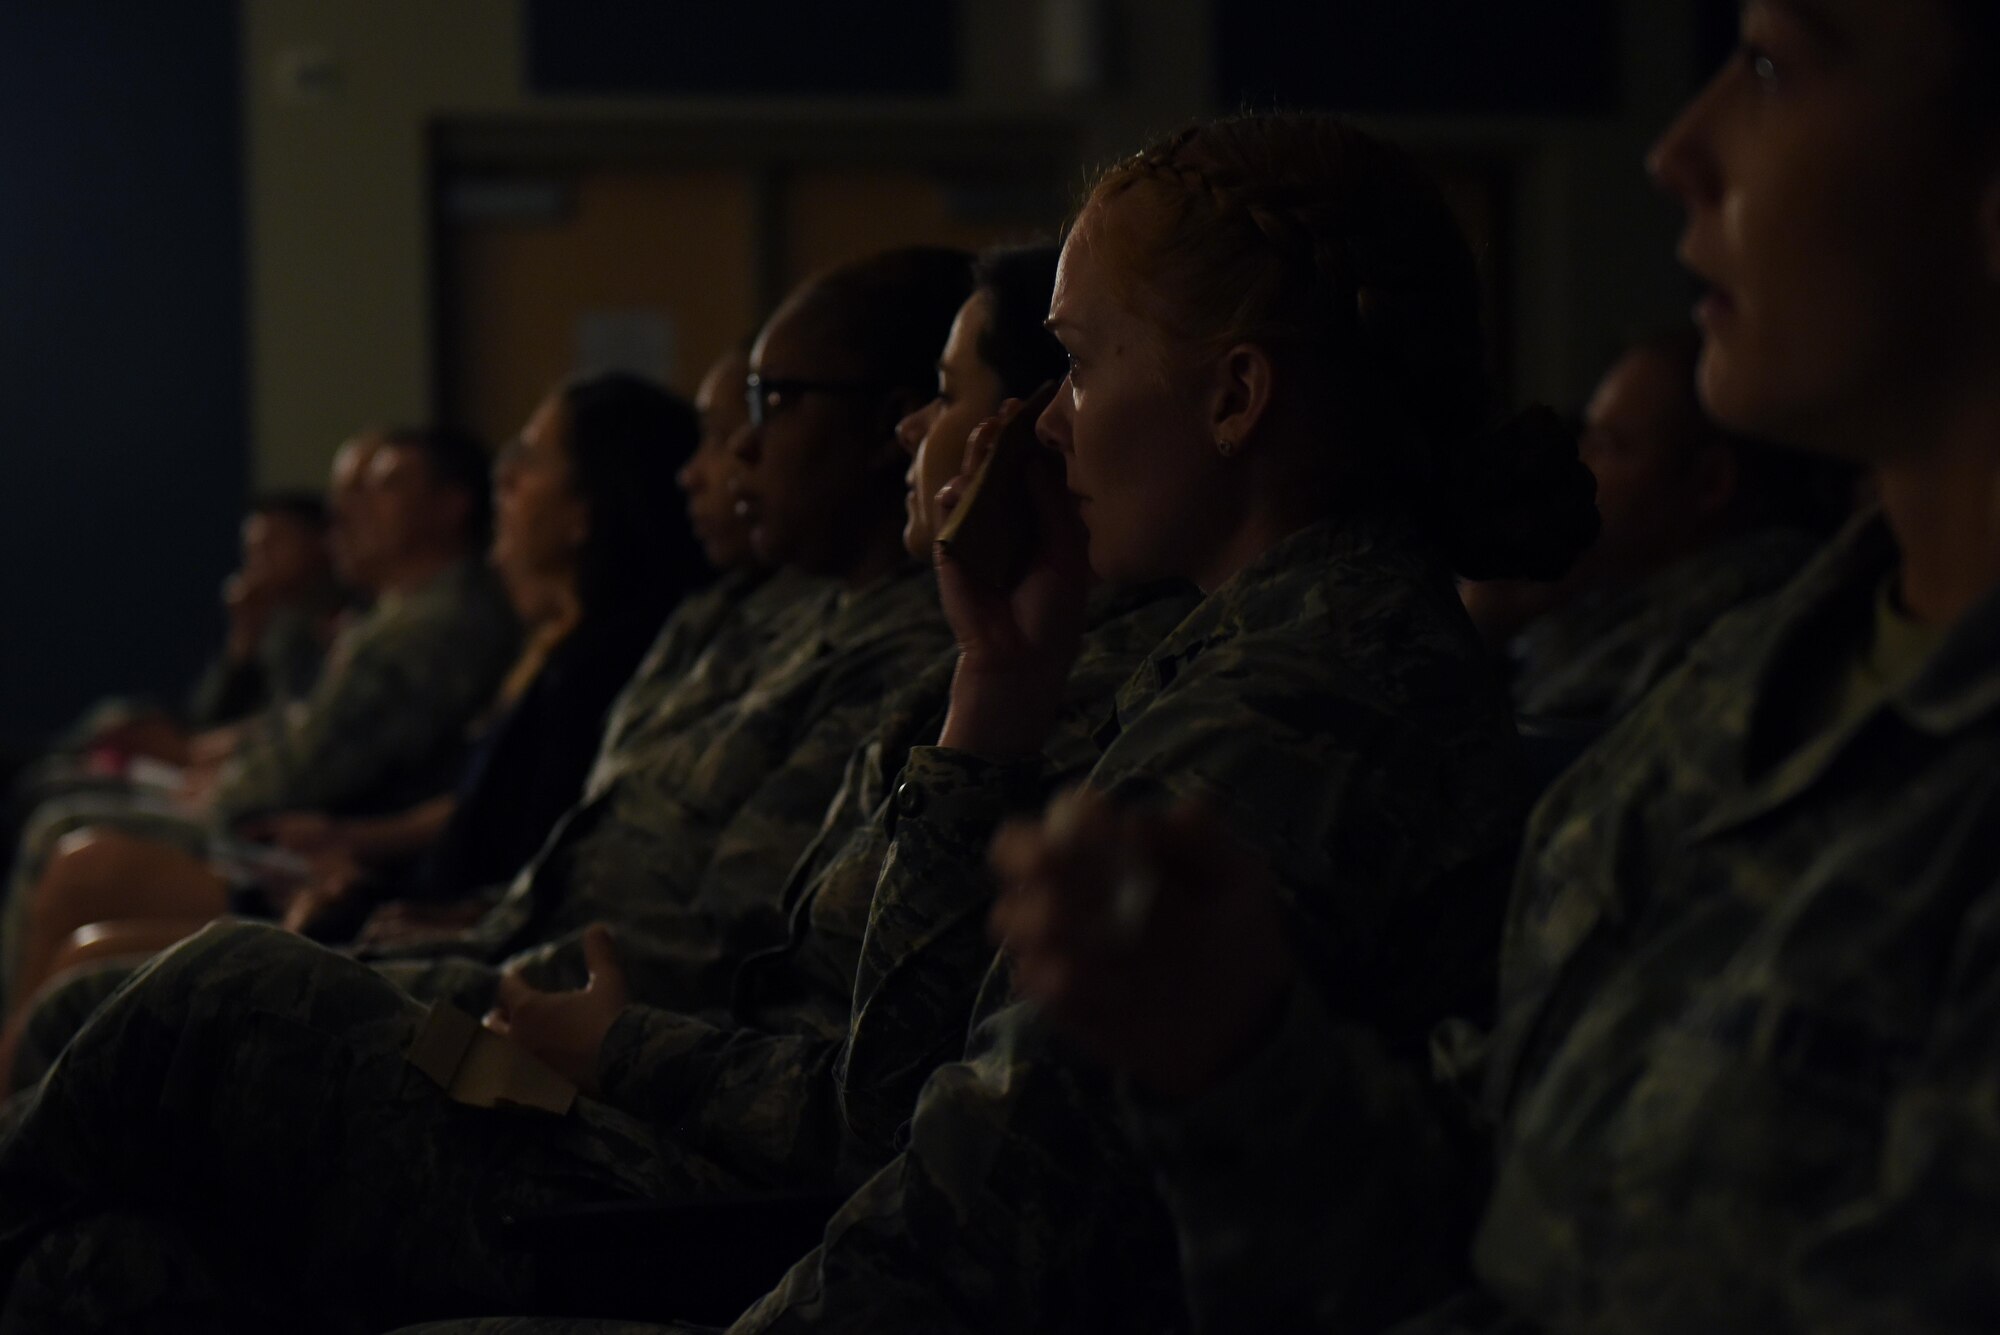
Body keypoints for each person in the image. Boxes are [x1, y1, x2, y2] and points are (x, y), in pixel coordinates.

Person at [0, 114, 1594, 1333]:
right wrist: (999, 692)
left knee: (213, 994)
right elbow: (916, 1085)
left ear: (1238, 398)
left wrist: (625, 1059)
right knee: (108, 1268)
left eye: (1083, 362)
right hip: (730, 1171)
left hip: (732, 1228)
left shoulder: (1306, 700)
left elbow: (975, 1197)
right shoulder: (1234, 651)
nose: (1042, 416)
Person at [986, 2, 2000, 1331]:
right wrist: (1232, 1055)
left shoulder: (1337, 676)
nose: (1675, 151)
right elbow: (1491, 1191)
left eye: (1770, 66)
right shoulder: (1734, 695)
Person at [9, 374, 705, 997]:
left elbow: (519, 856)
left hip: (411, 915)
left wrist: (359, 862)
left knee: (82, 893)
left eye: (383, 485)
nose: (507, 478)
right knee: (75, 876)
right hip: (373, 878)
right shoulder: (542, 642)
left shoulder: (481, 632)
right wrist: (358, 842)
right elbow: (476, 803)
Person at [0, 427, 520, 999]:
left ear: (452, 506)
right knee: (68, 813)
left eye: (384, 488)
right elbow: (284, 729)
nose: (347, 514)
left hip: (337, 867)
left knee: (71, 839)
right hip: (312, 841)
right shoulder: (394, 615)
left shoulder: (437, 625)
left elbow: (305, 767)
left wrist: (209, 786)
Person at [1461, 328, 1850, 732]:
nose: (1575, 462)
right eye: (1586, 439)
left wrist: (1473, 629)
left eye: (1611, 446)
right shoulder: (1598, 601)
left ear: (1711, 482)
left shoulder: (1727, 632)